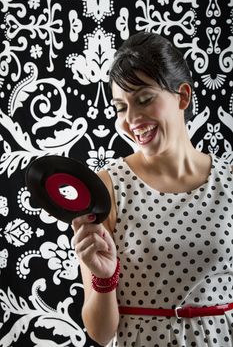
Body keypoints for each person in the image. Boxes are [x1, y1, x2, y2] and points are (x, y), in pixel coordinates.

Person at [72, 32, 233, 347]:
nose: (132, 119)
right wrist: (104, 279)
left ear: (182, 96)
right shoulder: (106, 187)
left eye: (144, 99)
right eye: (120, 107)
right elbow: (101, 334)